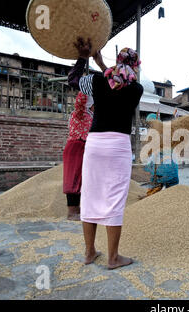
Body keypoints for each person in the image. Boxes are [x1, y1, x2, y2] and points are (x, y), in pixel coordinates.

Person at [68, 37, 143, 270]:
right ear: (136, 66)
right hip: (118, 146)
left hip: (95, 143)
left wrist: (85, 58)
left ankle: (90, 252)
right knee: (113, 200)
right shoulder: (136, 88)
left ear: (117, 62)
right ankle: (112, 258)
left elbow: (73, 80)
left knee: (89, 195)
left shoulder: (99, 81)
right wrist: (101, 64)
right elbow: (120, 83)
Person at [62, 91, 94, 221]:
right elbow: (80, 102)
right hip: (76, 147)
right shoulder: (80, 113)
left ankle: (80, 209)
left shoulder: (91, 115)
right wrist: (86, 89)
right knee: (73, 179)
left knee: (84, 180)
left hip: (85, 148)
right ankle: (72, 212)